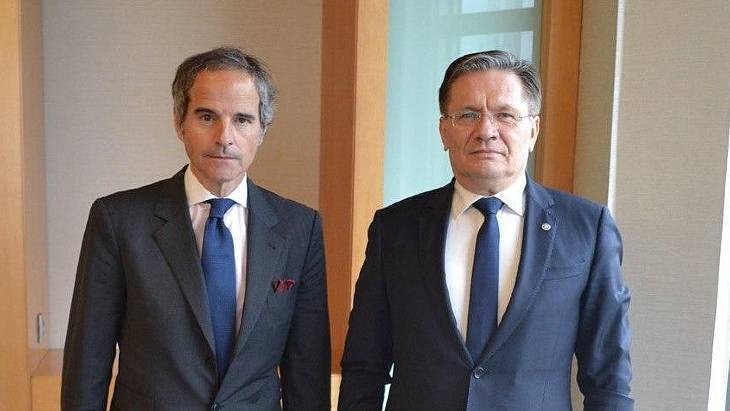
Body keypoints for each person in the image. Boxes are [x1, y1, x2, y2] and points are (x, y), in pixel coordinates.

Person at [338, 50, 632, 410]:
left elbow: (608, 376)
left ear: (533, 130)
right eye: (468, 115)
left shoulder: (587, 227)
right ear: (444, 131)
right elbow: (364, 366)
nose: (486, 131)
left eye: (505, 115)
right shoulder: (395, 228)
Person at [62, 47, 330, 411]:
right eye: (207, 117)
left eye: (242, 120)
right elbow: (87, 361)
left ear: (262, 130)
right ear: (179, 122)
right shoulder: (118, 220)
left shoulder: (300, 228)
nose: (225, 137)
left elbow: (307, 370)